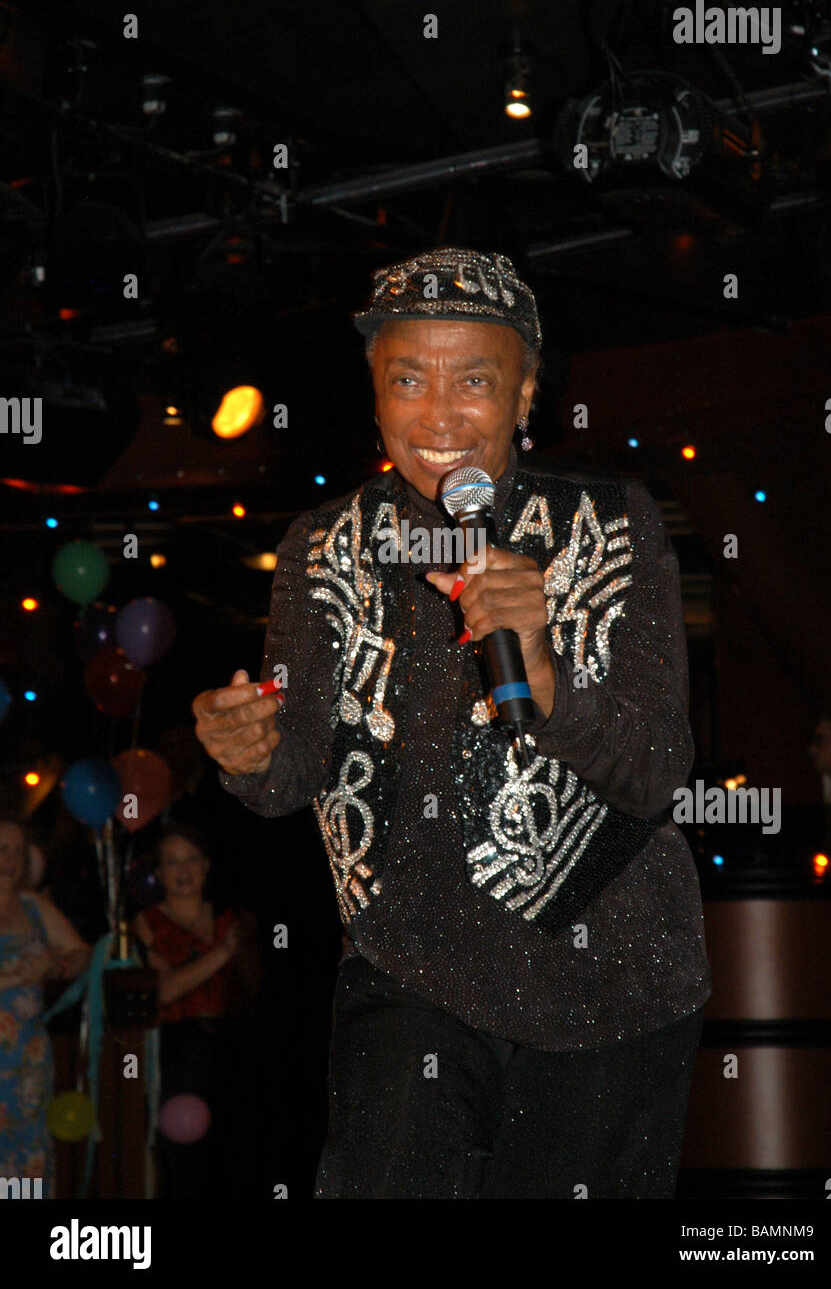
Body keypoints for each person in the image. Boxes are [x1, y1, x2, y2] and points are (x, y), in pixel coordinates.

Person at [192, 245, 712, 1199]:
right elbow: (289, 773)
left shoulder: (611, 521)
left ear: (525, 396)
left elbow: (655, 770)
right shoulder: (323, 546)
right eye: (407, 379)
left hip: (612, 982)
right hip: (409, 963)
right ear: (375, 393)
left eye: (475, 380)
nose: (438, 415)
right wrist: (244, 749)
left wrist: (543, 667)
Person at [131, 823, 259, 1199]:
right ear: (158, 872)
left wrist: (246, 947)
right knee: (185, 1166)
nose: (183, 870)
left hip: (234, 1051)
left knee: (237, 1160)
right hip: (180, 1055)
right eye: (172, 862)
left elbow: (253, 990)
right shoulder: (147, 922)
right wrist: (223, 953)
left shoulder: (232, 920)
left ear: (205, 866)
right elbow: (164, 991)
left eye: (191, 860)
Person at [0, 815, 91, 1194]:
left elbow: (83, 952)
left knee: (26, 1169)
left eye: (19, 851)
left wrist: (56, 965)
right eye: (2, 849)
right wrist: (15, 979)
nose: (10, 859)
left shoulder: (33, 906)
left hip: (27, 1063)